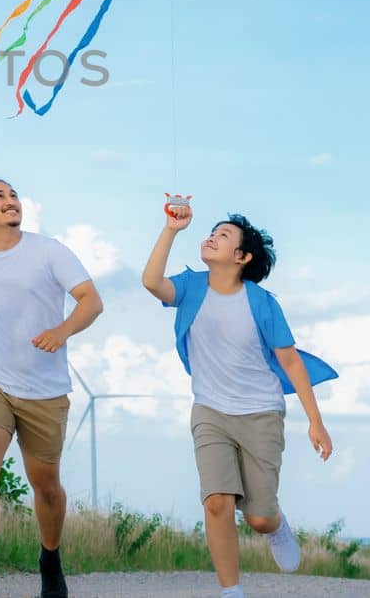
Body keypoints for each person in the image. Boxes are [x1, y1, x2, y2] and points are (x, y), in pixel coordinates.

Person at [140, 204, 336, 598]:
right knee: (217, 501)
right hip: (210, 410)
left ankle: (276, 524)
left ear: (242, 257)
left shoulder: (262, 303)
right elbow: (151, 282)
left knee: (259, 518)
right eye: (213, 231)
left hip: (261, 414)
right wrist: (170, 230)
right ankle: (232, 592)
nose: (212, 236)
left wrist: (316, 421)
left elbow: (291, 363)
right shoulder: (191, 286)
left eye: (224, 235)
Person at [0, 178, 104, 598]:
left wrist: (62, 331)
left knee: (45, 483)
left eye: (13, 195)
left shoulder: (49, 251)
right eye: (0, 196)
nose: (11, 201)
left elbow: (91, 300)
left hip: (45, 388)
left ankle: (50, 560)